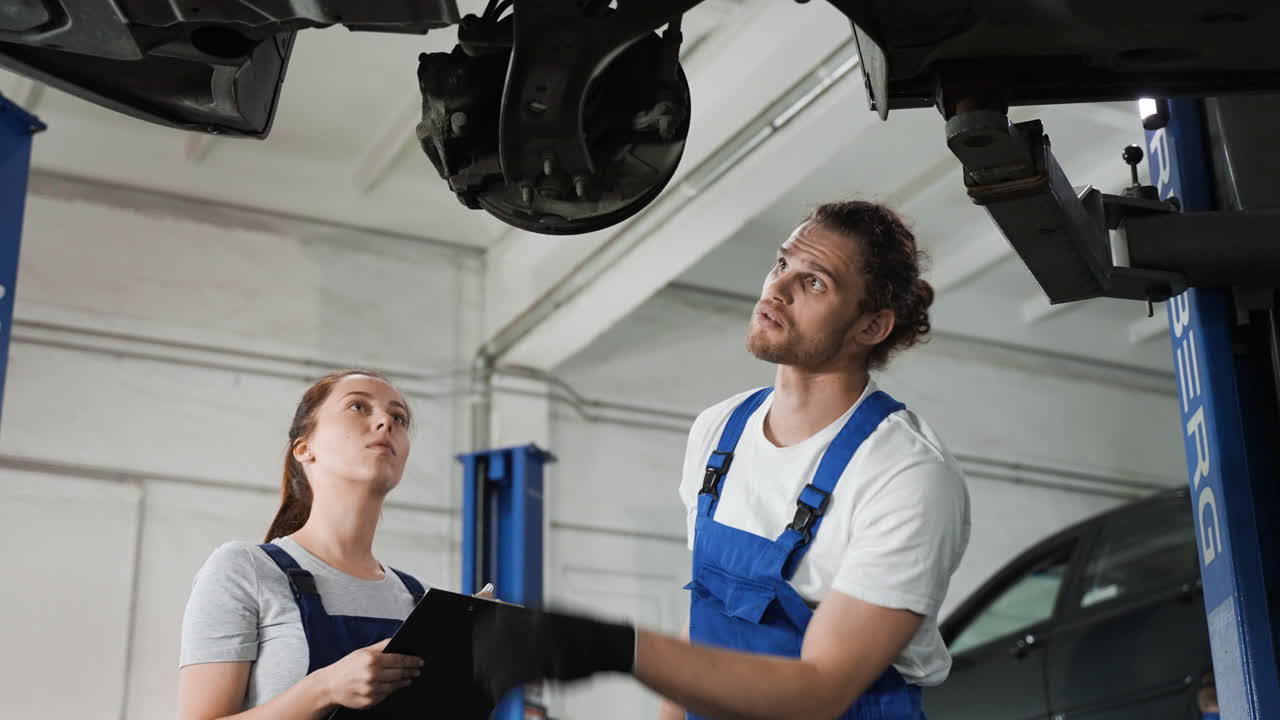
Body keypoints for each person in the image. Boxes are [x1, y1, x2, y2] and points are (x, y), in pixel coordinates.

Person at [472, 200, 972, 720]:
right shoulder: (720, 431)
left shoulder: (906, 475)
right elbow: (706, 625)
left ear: (871, 327)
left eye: (815, 282)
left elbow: (822, 691)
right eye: (782, 265)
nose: (776, 290)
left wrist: (615, 648)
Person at [177, 369, 453, 719]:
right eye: (358, 407)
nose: (386, 421)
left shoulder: (426, 602)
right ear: (305, 449)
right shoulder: (245, 569)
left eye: (398, 416)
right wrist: (325, 688)